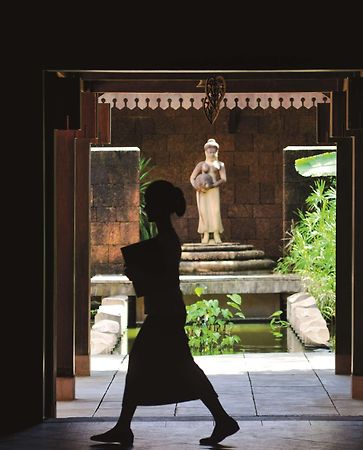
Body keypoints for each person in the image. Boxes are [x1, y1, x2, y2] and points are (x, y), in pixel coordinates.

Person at [90, 180, 239, 446]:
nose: (146, 207)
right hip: (167, 310)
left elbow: (164, 280)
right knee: (174, 365)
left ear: (159, 207)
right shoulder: (164, 240)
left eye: (149, 202)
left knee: (163, 365)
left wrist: (137, 273)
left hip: (165, 312)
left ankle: (125, 427)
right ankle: (221, 419)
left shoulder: (167, 241)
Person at [190, 138, 226, 244]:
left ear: (216, 150)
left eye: (213, 149)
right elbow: (192, 177)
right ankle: (205, 233)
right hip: (202, 191)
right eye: (209, 149)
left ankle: (216, 233)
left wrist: (213, 185)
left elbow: (223, 178)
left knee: (215, 211)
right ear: (206, 151)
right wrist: (197, 187)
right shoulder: (201, 164)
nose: (211, 151)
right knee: (204, 211)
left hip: (213, 190)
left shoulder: (220, 164)